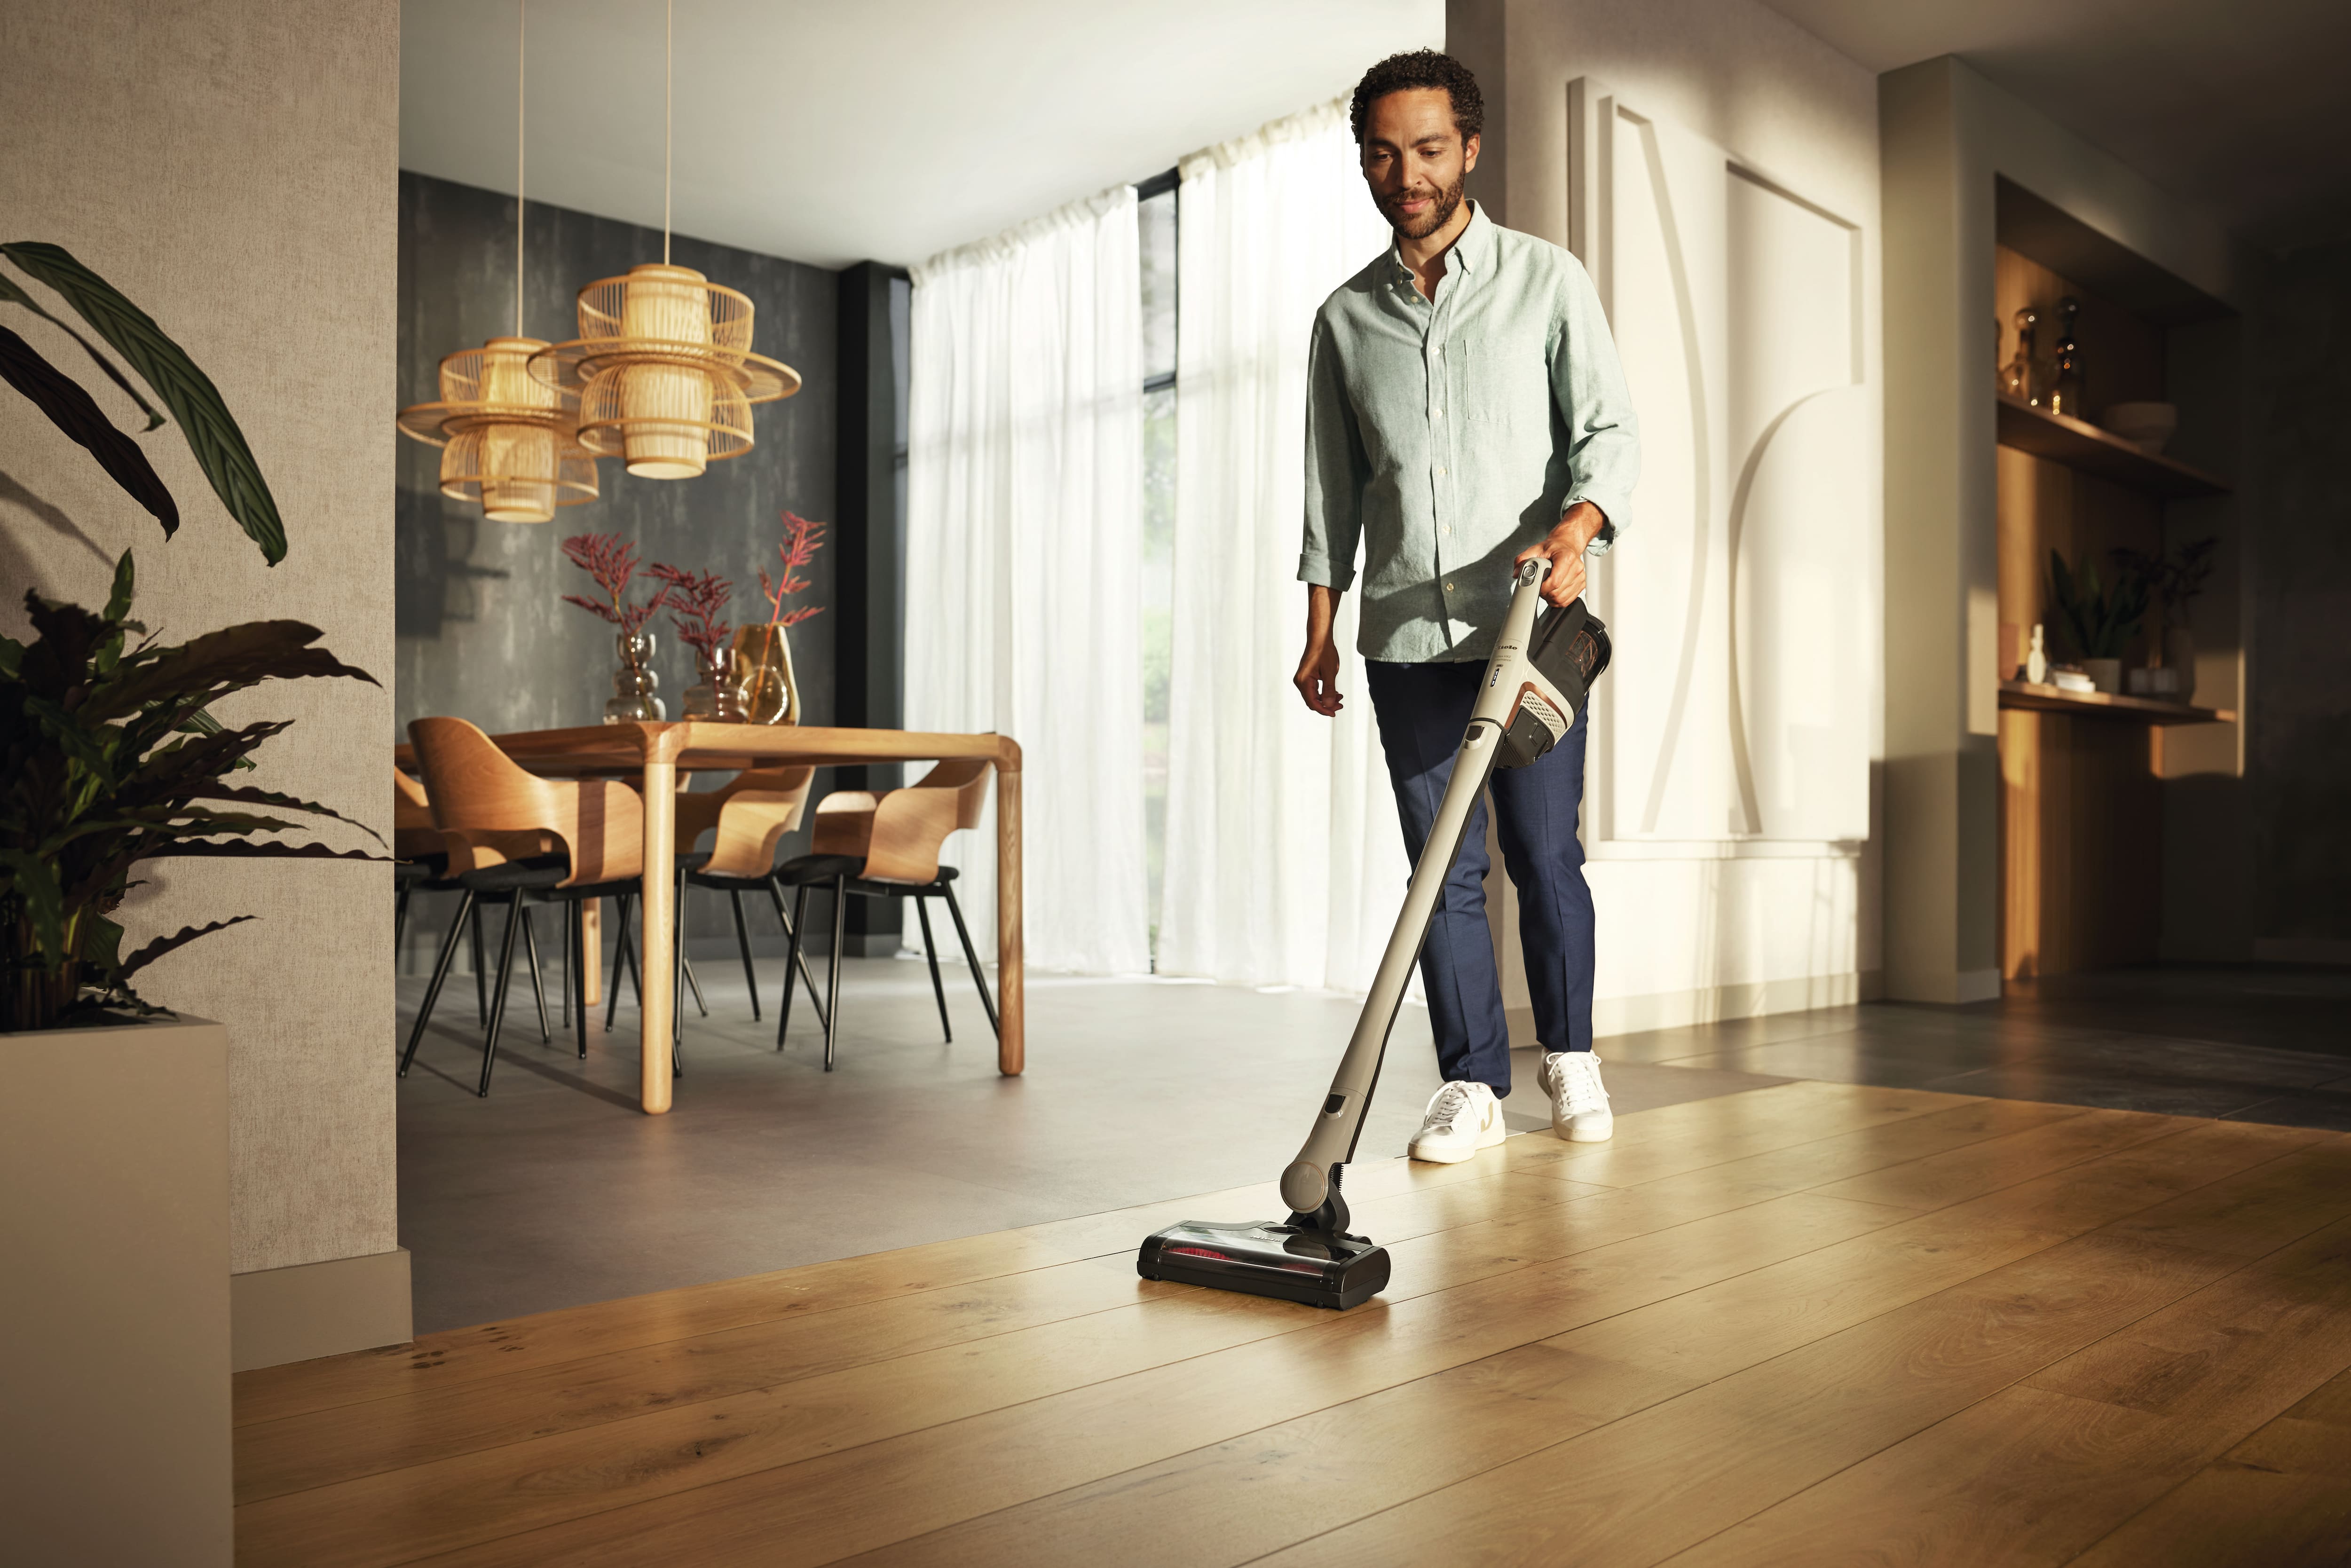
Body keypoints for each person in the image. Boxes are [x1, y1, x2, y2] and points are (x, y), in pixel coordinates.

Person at [1295, 49, 1639, 1165]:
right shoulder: (1344, 321)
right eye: (1385, 153)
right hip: (1401, 632)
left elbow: (1606, 437)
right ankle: (1469, 1084)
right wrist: (1317, 629)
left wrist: (1578, 532)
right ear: (1365, 161)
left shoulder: (1548, 281)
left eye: (1430, 148)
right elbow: (1329, 490)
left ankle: (1570, 1057)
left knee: (1546, 856)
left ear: (1471, 149)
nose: (1409, 172)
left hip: (1528, 627)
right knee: (1440, 870)